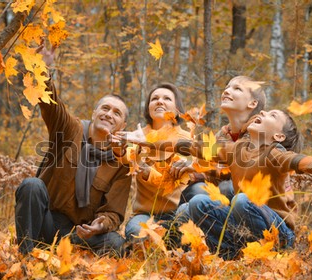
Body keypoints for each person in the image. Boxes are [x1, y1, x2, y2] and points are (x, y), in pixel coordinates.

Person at [183, 109, 312, 260]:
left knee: (242, 200)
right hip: (244, 228)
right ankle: (231, 255)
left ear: (278, 136)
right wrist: (157, 144)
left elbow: (296, 160)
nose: (262, 112)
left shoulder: (275, 154)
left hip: (279, 234)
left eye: (272, 115)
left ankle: (272, 254)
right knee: (198, 203)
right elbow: (197, 147)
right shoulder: (237, 150)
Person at [14, 47, 131, 257]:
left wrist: (99, 225)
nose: (108, 114)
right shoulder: (71, 129)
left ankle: (74, 259)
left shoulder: (121, 163)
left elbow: (113, 212)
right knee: (31, 185)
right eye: (105, 108)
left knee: (116, 243)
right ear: (95, 112)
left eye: (116, 113)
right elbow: (52, 106)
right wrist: (43, 70)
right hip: (46, 221)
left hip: (78, 235)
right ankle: (26, 256)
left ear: (122, 125)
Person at [113, 83, 191, 248]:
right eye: (154, 98)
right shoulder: (138, 135)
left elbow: (173, 181)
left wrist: (148, 172)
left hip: (176, 213)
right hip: (145, 215)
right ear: (148, 108)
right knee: (137, 233)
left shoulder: (186, 139)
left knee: (185, 230)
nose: (159, 101)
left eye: (167, 98)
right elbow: (126, 158)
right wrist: (118, 149)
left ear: (177, 109)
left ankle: (171, 241)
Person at [172, 75, 267, 204]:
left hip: (255, 202)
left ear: (252, 103)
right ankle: (179, 221)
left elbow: (243, 171)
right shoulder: (222, 135)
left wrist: (198, 169)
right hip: (224, 198)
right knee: (194, 190)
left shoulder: (261, 131)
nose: (227, 91)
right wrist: (193, 171)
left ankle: (232, 224)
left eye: (237, 89)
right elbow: (211, 171)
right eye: (227, 87)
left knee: (227, 187)